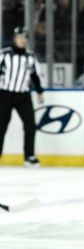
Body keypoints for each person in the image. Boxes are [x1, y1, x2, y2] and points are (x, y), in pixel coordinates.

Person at [0, 27, 44, 167]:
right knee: (1, 126)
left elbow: (35, 76)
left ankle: (29, 156)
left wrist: (39, 92)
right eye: (20, 37)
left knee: (31, 125)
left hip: (23, 96)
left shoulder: (30, 56)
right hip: (5, 94)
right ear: (14, 38)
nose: (22, 40)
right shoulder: (4, 54)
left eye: (25, 37)